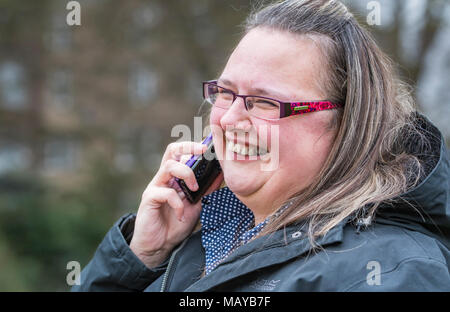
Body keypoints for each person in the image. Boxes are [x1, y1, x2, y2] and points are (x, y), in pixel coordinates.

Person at [72, 0, 450, 291]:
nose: (231, 119)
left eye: (266, 102)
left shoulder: (394, 270)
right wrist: (140, 259)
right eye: (225, 93)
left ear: (347, 122)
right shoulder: (196, 238)